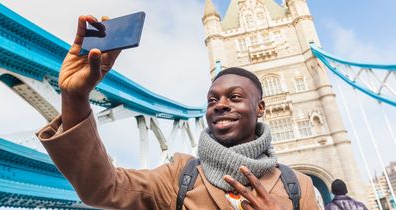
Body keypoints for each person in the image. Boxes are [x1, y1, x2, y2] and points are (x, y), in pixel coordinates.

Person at [36, 15, 320, 210]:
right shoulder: (179, 177)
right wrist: (74, 97)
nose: (220, 104)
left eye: (234, 97)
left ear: (260, 108)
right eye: (212, 100)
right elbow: (101, 187)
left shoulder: (298, 186)